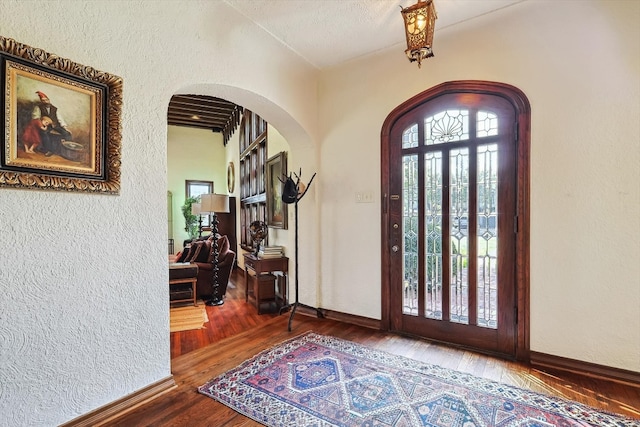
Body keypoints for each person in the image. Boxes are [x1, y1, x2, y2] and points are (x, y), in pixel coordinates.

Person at [31, 91, 72, 156]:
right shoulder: (38, 108)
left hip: (55, 125)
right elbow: (36, 118)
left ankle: (67, 150)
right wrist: (41, 125)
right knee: (44, 133)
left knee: (67, 133)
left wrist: (65, 127)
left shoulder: (55, 109)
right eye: (43, 100)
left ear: (49, 100)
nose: (45, 102)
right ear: (41, 101)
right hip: (45, 125)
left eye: (46, 100)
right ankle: (49, 150)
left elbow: (60, 119)